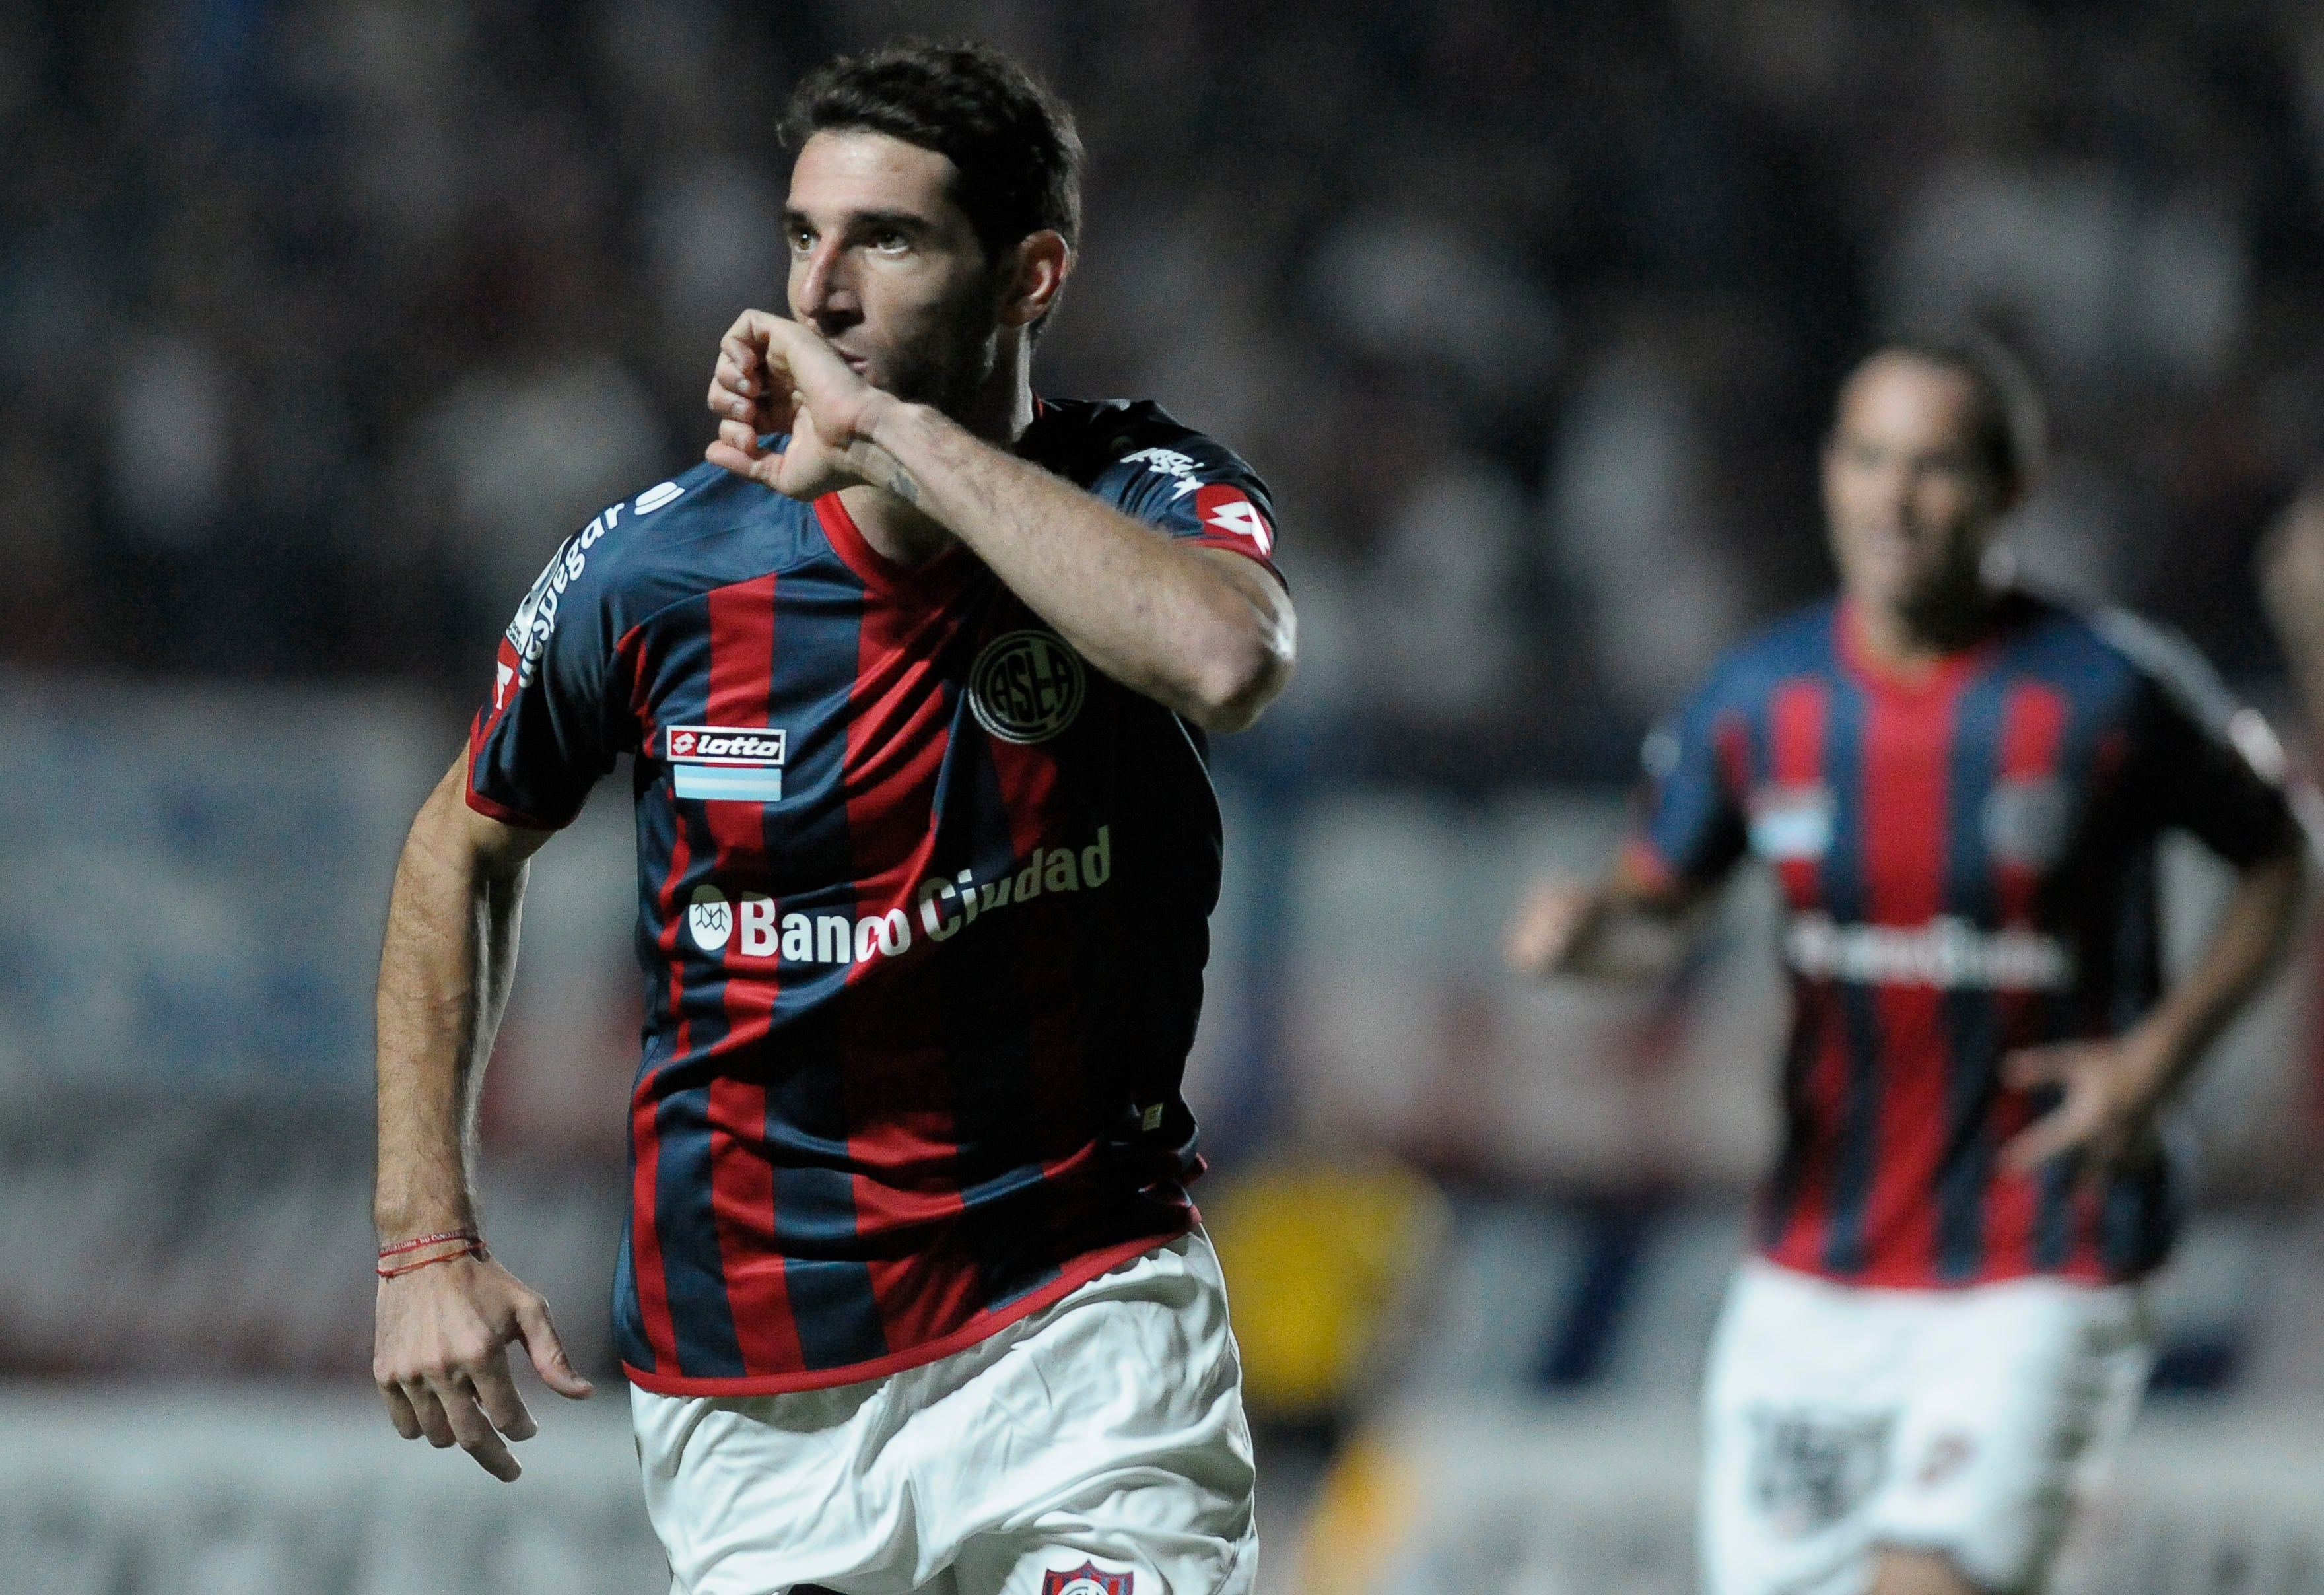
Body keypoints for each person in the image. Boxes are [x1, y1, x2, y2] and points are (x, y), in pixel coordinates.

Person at [371, 40, 1294, 1595]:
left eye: (889, 237)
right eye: (802, 235)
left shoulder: (1138, 488)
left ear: (1029, 274)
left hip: (1077, 1329)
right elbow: (456, 844)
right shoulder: (660, 567)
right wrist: (421, 1239)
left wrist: (890, 439)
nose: (822, 289)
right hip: (756, 1387)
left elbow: (1223, 655)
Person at [1507, 337, 2305, 1595]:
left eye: (1933, 467)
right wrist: (1589, 938)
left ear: (2009, 491)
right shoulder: (1759, 700)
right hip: (1818, 1270)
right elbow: (1660, 916)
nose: (1894, 499)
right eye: (1870, 460)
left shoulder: (2108, 693)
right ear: (1831, 475)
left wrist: (2158, 1064)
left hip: (2047, 1246)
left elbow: (2278, 863)